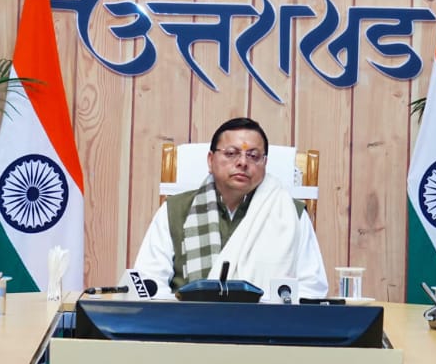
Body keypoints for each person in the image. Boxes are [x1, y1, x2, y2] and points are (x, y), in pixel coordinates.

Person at [133, 117, 327, 299]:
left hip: (267, 322)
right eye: (231, 153)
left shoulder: (290, 213)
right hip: (186, 321)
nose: (243, 162)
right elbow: (149, 282)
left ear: (265, 163)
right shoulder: (175, 211)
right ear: (211, 160)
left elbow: (312, 287)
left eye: (253, 156)